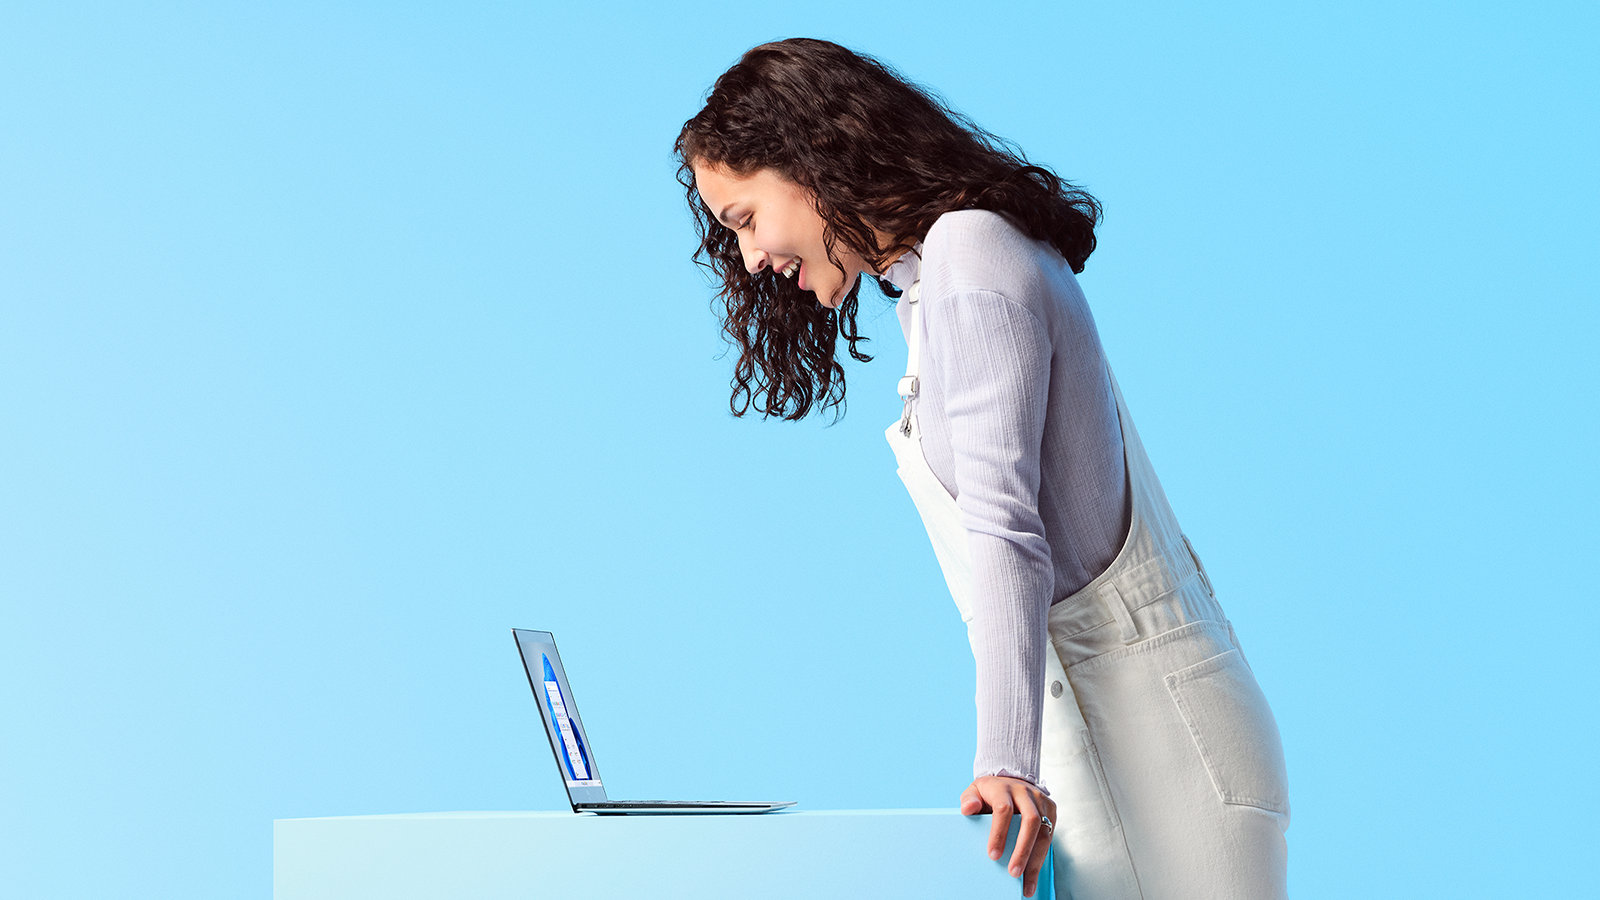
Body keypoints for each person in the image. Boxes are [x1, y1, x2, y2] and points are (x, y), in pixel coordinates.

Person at [674, 38, 1290, 899]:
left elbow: (1008, 528)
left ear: (811, 159)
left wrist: (1004, 757)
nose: (748, 258)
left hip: (1158, 746)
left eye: (743, 218)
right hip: (1098, 732)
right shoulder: (932, 284)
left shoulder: (972, 257)